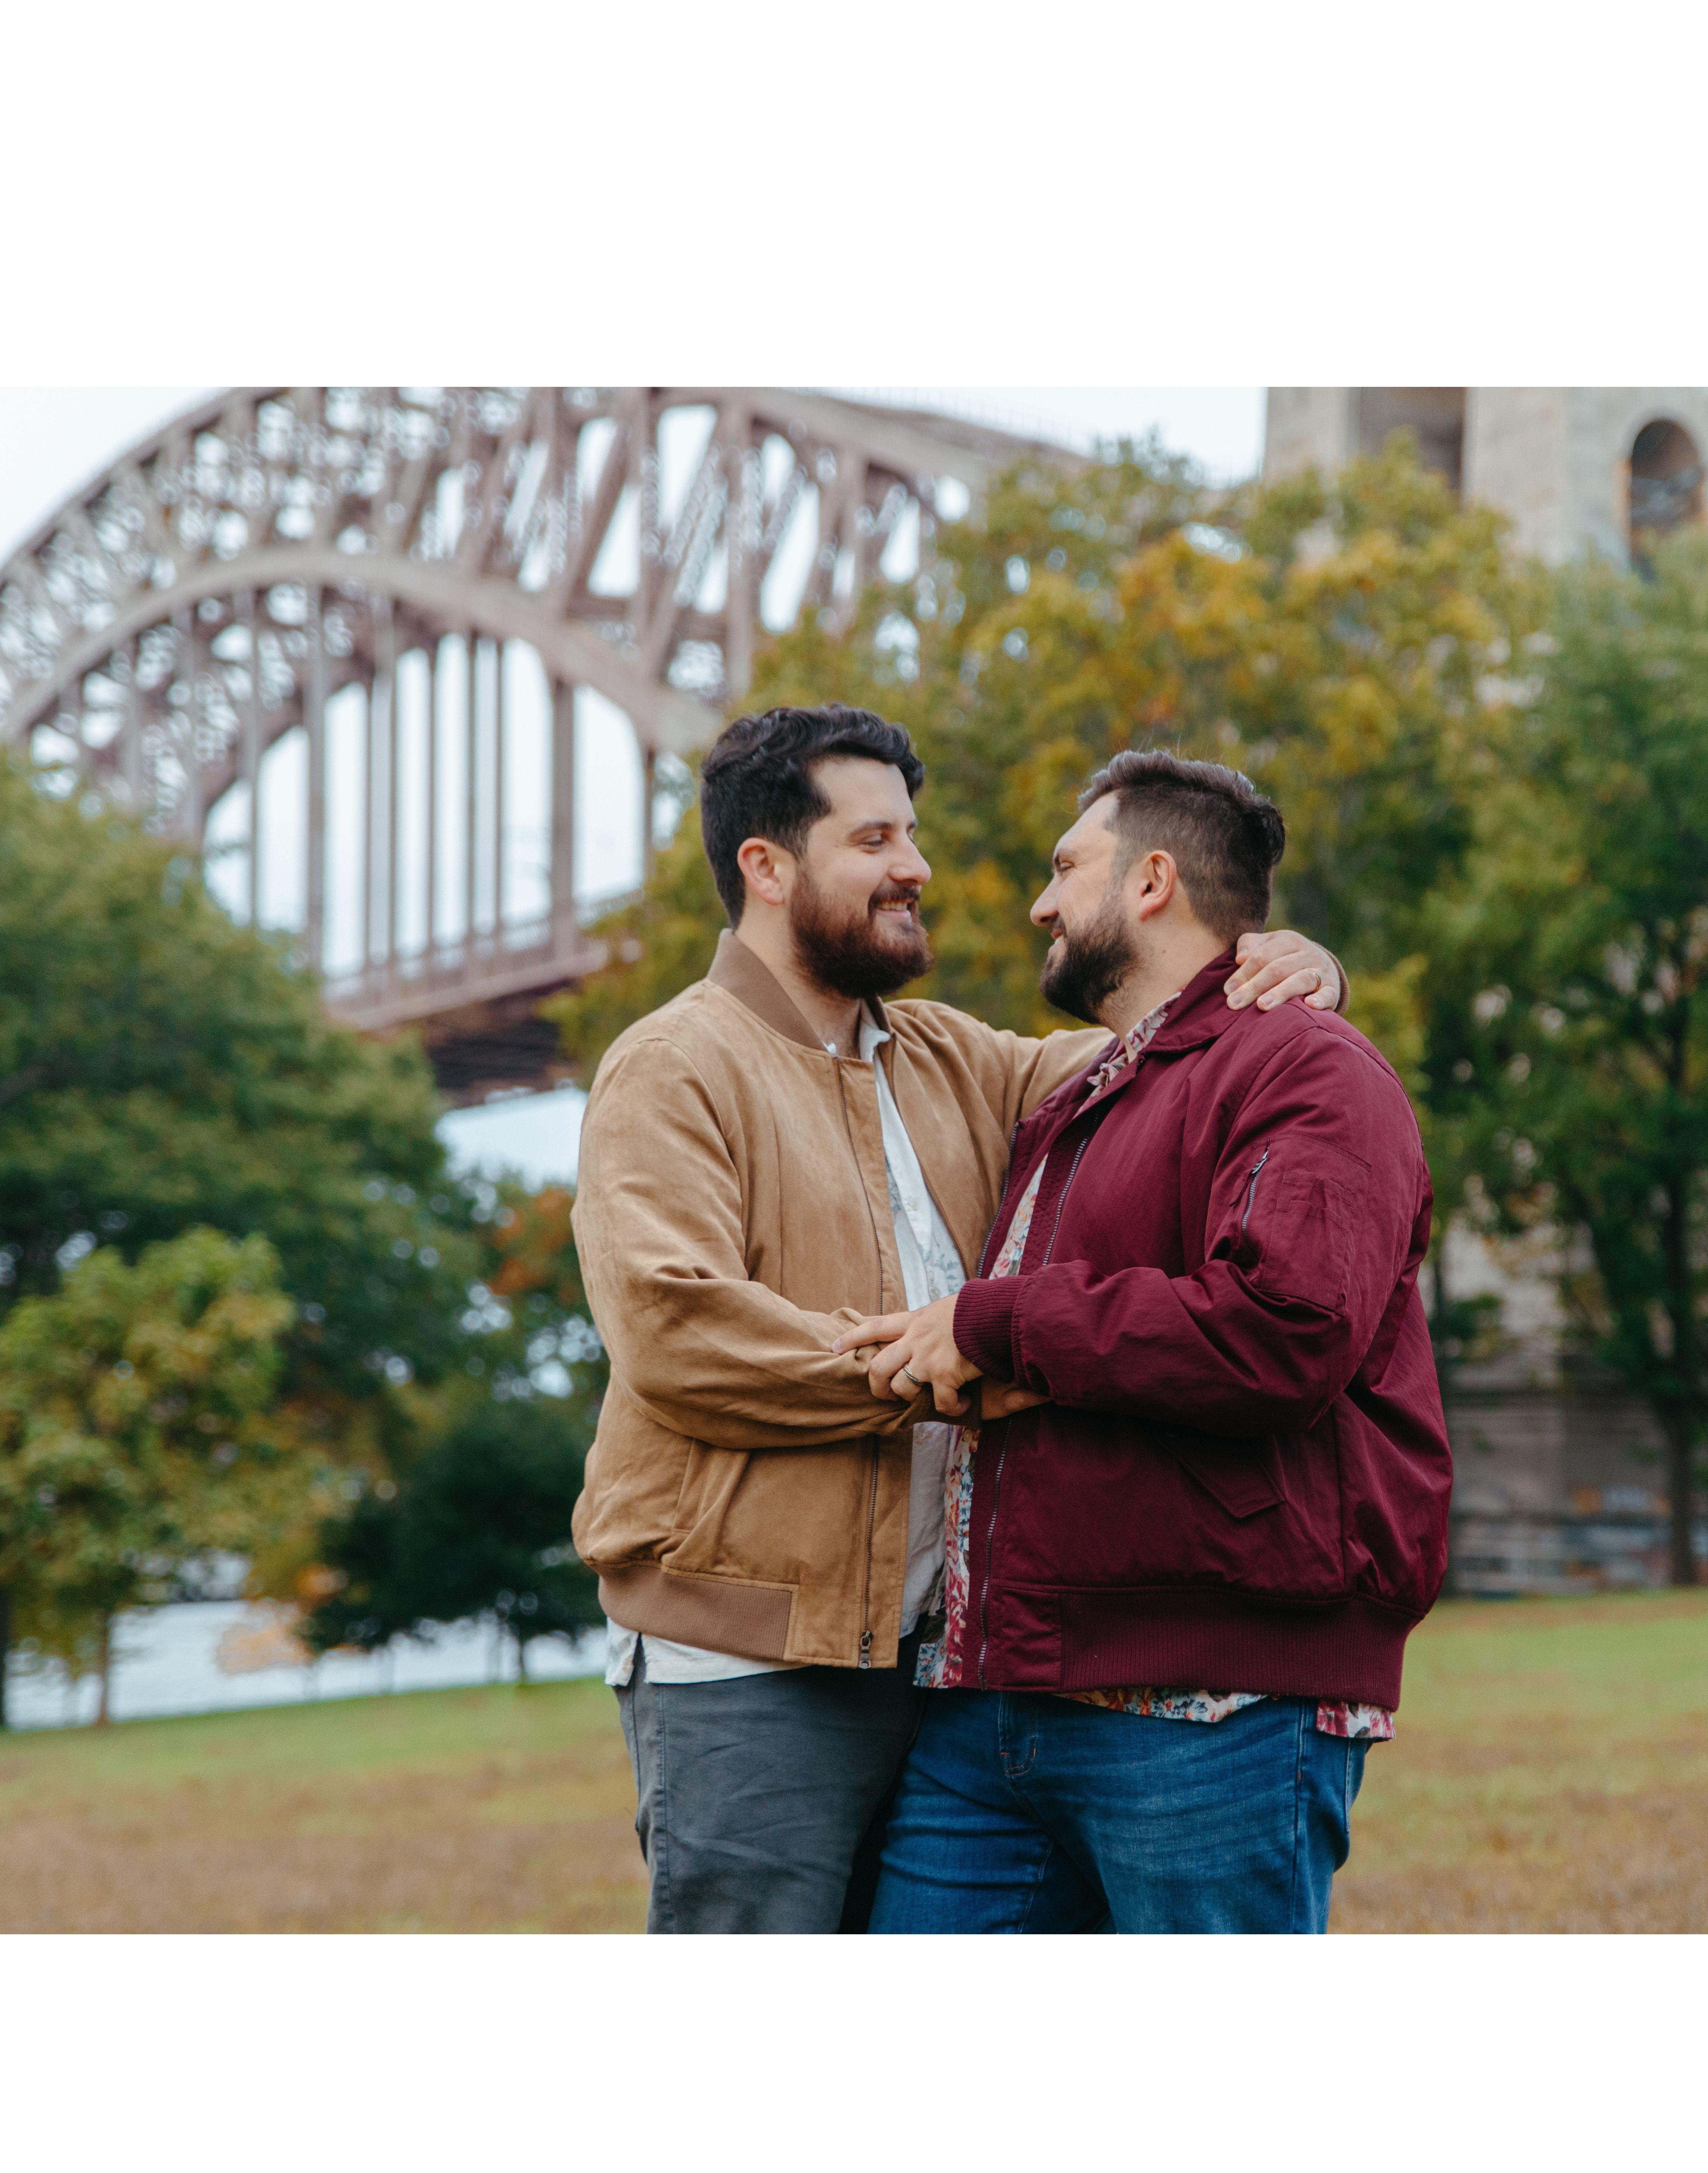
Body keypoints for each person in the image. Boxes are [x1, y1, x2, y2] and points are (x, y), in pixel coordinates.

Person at [568, 706, 1345, 1933]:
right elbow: (678, 1333)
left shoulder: (951, 1060)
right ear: (767, 867)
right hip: (750, 1669)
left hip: (934, 1664)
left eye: (911, 835)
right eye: (874, 839)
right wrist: (968, 1366)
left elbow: (1171, 1052)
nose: (916, 867)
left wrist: (1282, 973)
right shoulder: (673, 1064)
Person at [835, 749, 1452, 1934]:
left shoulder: (1311, 1068)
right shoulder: (1078, 1098)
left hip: (1218, 1709)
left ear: (1153, 880)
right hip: (998, 1701)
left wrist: (992, 1324)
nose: (1041, 903)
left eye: (1066, 868)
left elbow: (1285, 1329)